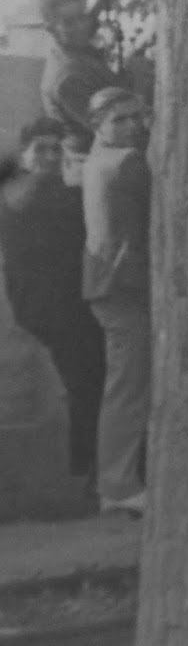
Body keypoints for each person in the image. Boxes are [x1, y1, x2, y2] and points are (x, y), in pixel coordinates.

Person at [0, 118, 106, 482]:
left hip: (61, 303)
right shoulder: (34, 196)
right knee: (85, 385)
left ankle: (87, 468)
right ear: (26, 155)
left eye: (55, 148)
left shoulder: (41, 192)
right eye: (40, 149)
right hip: (58, 306)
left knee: (86, 385)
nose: (48, 156)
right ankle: (87, 469)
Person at [80, 87, 153, 516]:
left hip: (109, 287)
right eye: (118, 120)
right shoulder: (127, 163)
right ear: (97, 125)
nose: (130, 126)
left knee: (128, 386)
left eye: (134, 117)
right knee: (127, 389)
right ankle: (118, 485)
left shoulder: (97, 159)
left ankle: (121, 480)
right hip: (123, 288)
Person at [32, 0, 124, 142]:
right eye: (69, 23)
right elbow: (111, 130)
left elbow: (85, 24)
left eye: (82, 17)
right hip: (92, 157)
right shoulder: (68, 77)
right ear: (51, 30)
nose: (81, 26)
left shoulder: (71, 47)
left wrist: (100, 4)